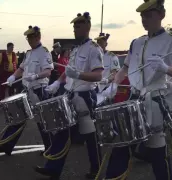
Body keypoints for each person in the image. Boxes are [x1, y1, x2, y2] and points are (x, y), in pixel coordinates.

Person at [100, 0, 172, 179]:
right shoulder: (136, 42)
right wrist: (114, 84)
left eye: (149, 15)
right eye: (142, 15)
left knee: (157, 154)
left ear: (162, 15)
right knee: (120, 147)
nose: (144, 19)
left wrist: (166, 69)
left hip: (155, 101)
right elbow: (124, 68)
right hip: (133, 99)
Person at [36, 12, 104, 179]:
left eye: (78, 26)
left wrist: (79, 75)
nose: (75, 29)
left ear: (87, 27)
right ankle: (53, 168)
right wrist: (57, 82)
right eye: (74, 26)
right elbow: (68, 72)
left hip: (85, 96)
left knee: (90, 136)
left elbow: (98, 76)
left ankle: (97, 170)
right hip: (70, 94)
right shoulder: (75, 49)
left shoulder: (94, 49)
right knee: (61, 132)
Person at [0, 25, 54, 157]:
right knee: (18, 117)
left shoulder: (44, 52)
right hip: (27, 89)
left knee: (41, 120)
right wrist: (13, 76)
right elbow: (21, 68)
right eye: (28, 38)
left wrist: (36, 76)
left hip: (39, 89)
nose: (29, 40)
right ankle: (6, 145)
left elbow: (48, 71)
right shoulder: (29, 53)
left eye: (31, 37)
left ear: (38, 37)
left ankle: (50, 148)